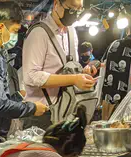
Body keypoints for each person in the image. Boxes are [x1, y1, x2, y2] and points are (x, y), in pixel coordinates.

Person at [0, 1, 47, 149]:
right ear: (0, 28)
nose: (15, 36)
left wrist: (18, 96)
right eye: (14, 30)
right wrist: (32, 108)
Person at [22, 0, 96, 128]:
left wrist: (82, 73)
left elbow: (68, 68)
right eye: (72, 9)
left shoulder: (71, 32)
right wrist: (74, 79)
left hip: (66, 111)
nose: (75, 14)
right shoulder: (39, 33)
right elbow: (31, 76)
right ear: (56, 4)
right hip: (41, 114)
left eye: (79, 10)